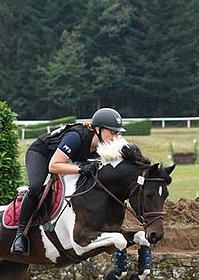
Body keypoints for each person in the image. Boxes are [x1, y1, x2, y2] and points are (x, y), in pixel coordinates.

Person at [10, 107, 126, 256]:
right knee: (36, 187)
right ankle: (20, 235)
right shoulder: (75, 137)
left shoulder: (102, 146)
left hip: (63, 159)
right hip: (42, 153)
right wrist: (81, 169)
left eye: (117, 133)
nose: (116, 137)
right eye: (113, 132)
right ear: (97, 129)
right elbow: (54, 166)